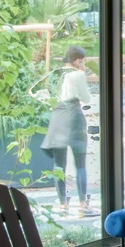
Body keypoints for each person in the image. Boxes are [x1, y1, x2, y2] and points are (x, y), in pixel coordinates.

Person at [41, 46, 95, 216]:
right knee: (80, 165)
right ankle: (82, 204)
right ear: (79, 60)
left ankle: (63, 205)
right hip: (73, 117)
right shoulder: (78, 74)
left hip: (57, 118)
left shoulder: (56, 73)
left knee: (59, 165)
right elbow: (86, 98)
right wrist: (84, 73)